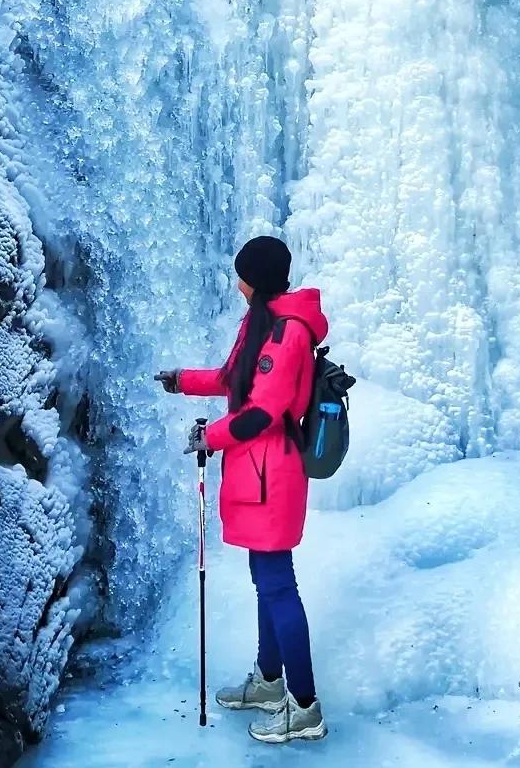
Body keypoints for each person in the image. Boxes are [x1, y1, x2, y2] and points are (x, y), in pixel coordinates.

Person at [155, 235, 328, 744]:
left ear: (258, 279)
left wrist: (207, 437)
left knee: (277, 584)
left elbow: (262, 413)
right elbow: (236, 380)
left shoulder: (287, 331)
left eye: (243, 276)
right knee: (266, 580)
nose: (238, 284)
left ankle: (305, 706)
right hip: (255, 472)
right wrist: (182, 380)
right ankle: (271, 681)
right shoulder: (263, 323)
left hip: (271, 475)